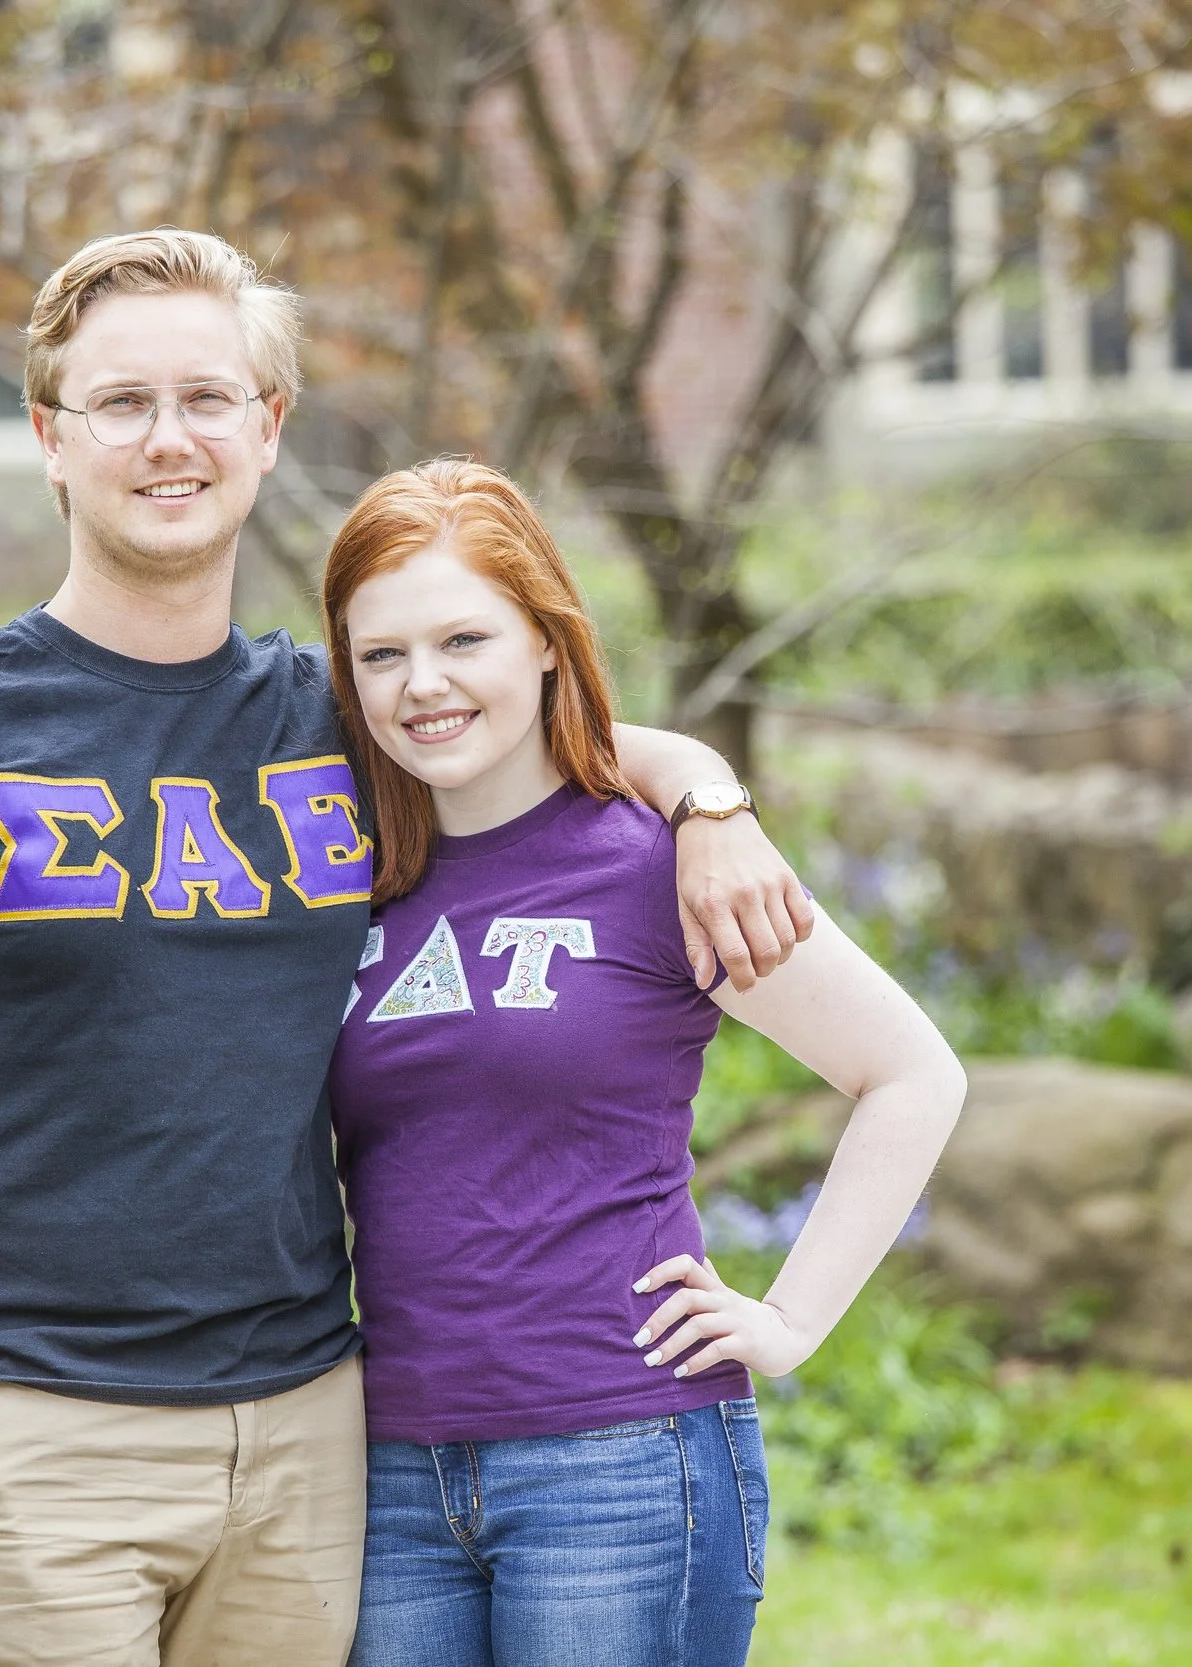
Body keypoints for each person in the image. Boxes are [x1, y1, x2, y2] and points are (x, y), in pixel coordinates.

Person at [0, 229, 813, 1667]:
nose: (168, 438)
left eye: (208, 397)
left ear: (269, 428)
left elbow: (542, 721)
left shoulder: (348, 714)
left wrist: (707, 793)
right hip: (33, 1427)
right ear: (51, 439)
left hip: (311, 1432)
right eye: (121, 404)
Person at [322, 459, 966, 1666]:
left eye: (466, 637)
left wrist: (788, 1317)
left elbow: (912, 1072)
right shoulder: (343, 868)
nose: (426, 685)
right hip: (390, 1471)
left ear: (548, 642)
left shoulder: (656, 860)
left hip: (618, 1462)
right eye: (382, 655)